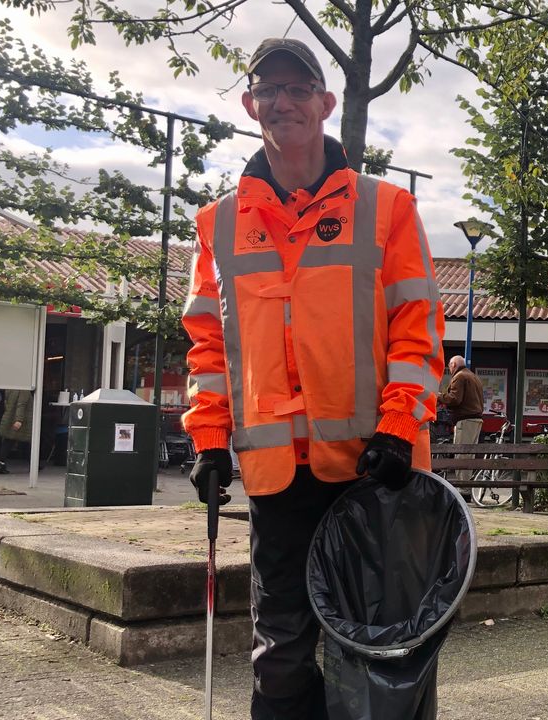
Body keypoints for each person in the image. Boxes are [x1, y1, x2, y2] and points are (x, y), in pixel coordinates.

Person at [180, 37, 444, 720]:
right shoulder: (218, 225)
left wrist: (395, 427)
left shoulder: (387, 210)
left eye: (299, 89)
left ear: (326, 104)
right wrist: (208, 440)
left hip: (374, 469)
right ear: (250, 104)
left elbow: (417, 333)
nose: (283, 101)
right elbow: (209, 347)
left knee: (384, 646)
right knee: (284, 651)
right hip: (276, 476)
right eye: (269, 89)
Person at [437, 356, 484, 481]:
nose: (450, 369)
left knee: (462, 454)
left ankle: (463, 488)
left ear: (453, 365)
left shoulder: (460, 376)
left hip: (465, 420)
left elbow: (455, 399)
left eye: (450, 366)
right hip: (475, 419)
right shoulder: (473, 376)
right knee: (469, 454)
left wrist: (439, 396)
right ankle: (466, 485)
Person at [0, 388, 33, 474]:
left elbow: (6, 402)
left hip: (9, 417)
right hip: (20, 419)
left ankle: (1, 462)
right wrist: (19, 419)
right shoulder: (24, 390)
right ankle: (34, 463)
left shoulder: (10, 389)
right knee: (26, 441)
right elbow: (21, 404)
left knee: (9, 440)